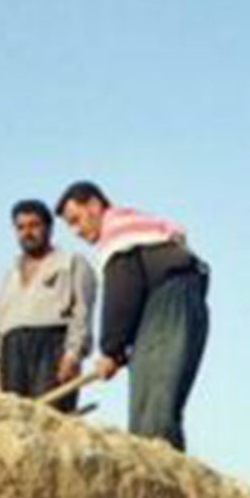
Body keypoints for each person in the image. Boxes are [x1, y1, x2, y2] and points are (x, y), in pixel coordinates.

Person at [56, 181, 209, 451]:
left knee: (154, 411)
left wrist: (111, 350)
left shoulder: (117, 230)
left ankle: (160, 484)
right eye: (71, 226)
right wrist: (122, 351)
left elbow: (123, 289)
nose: (77, 231)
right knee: (152, 406)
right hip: (172, 306)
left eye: (76, 220)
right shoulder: (137, 231)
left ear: (94, 205)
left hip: (169, 305)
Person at [0, 198, 97, 405]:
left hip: (51, 345)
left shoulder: (71, 263)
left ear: (49, 228)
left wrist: (73, 354)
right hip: (12, 351)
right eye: (21, 227)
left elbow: (82, 313)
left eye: (34, 225)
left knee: (50, 416)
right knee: (13, 421)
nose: (27, 232)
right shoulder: (10, 274)